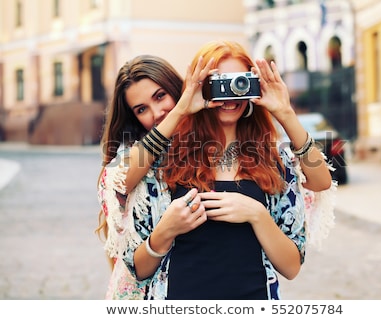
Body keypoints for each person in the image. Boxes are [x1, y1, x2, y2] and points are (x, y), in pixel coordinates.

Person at [111, 40, 334, 300]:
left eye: (238, 83)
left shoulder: (274, 159)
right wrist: (165, 230)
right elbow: (137, 267)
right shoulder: (161, 162)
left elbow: (292, 266)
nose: (229, 94)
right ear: (200, 88)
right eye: (218, 85)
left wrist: (257, 214)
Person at [96, 54, 220, 299]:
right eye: (142, 109)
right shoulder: (135, 154)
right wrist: (180, 110)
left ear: (175, 88)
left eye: (160, 96)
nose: (157, 112)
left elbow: (317, 181)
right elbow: (120, 180)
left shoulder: (214, 139)